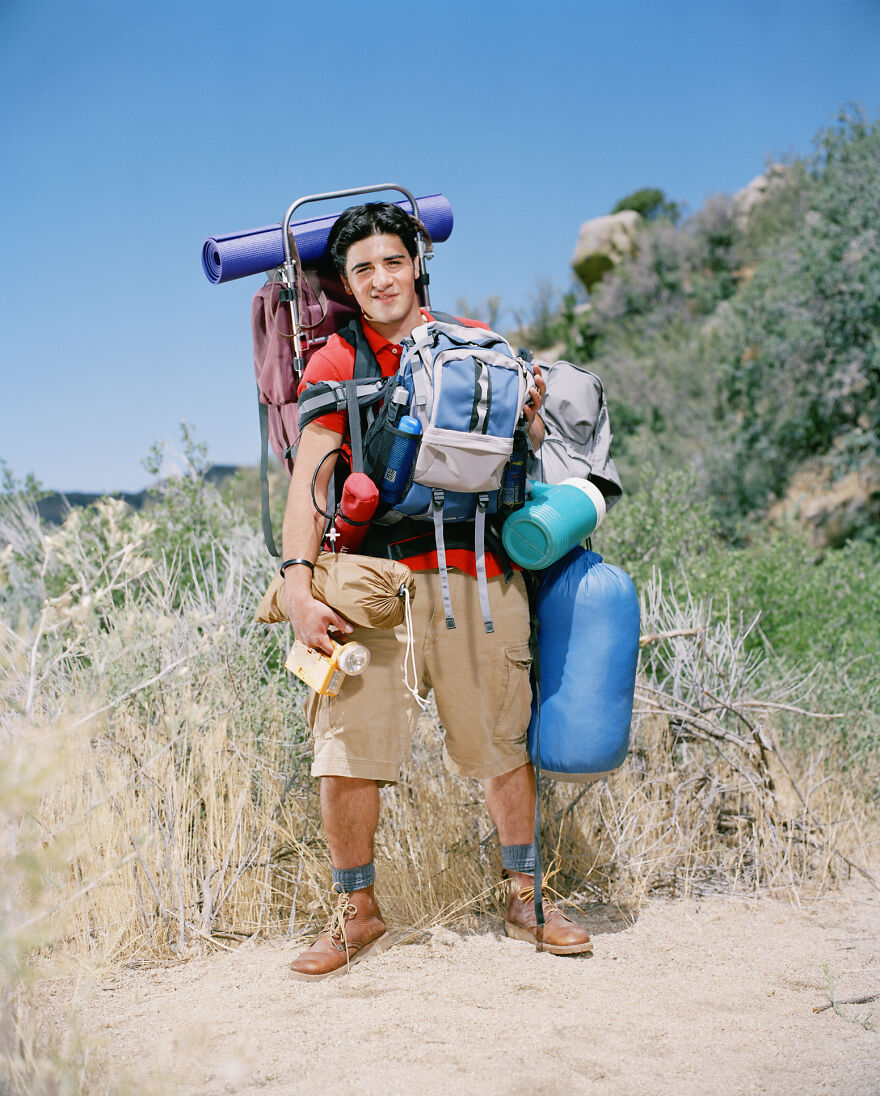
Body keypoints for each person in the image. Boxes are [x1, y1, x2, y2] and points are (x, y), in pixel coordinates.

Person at [281, 201, 592, 980]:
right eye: (362, 270)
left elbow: (533, 455)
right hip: (372, 580)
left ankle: (528, 899)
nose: (381, 279)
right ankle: (357, 914)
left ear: (416, 263)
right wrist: (295, 584)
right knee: (345, 752)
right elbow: (306, 482)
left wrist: (532, 417)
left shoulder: (481, 346)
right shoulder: (334, 362)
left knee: (499, 745)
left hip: (479, 574)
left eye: (392, 262)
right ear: (346, 285)